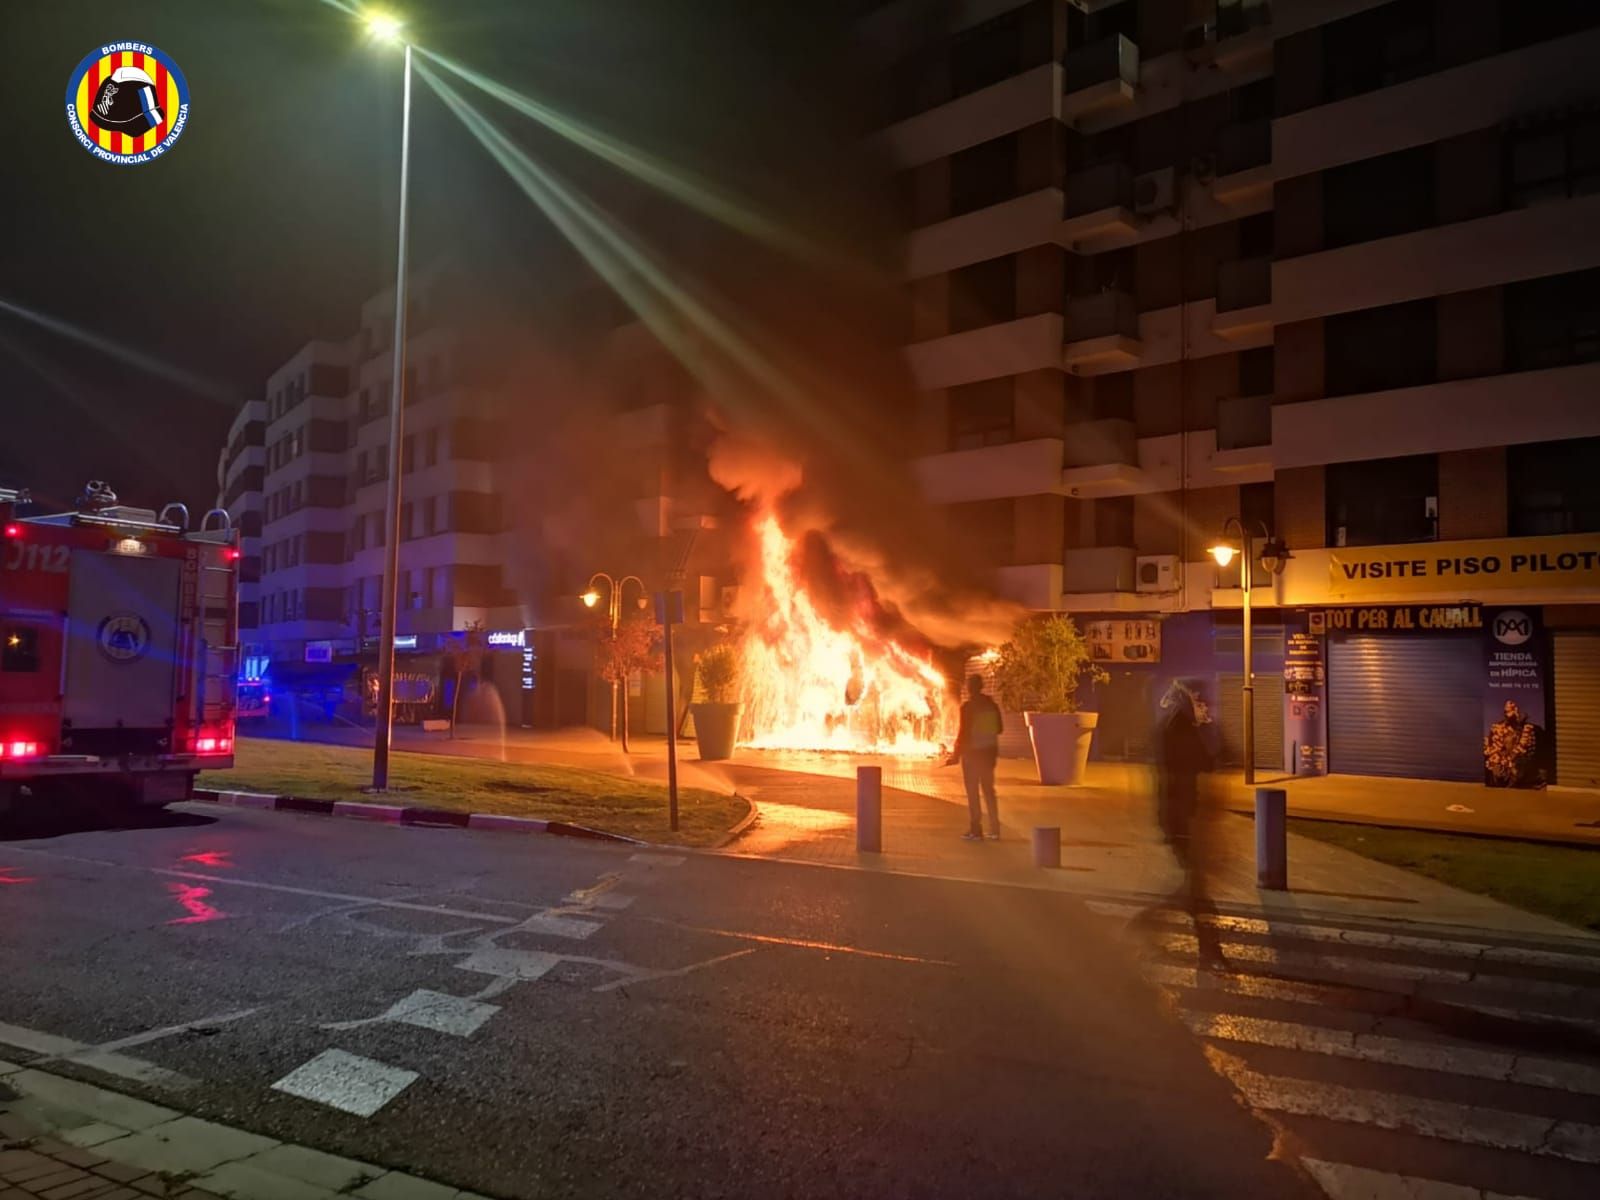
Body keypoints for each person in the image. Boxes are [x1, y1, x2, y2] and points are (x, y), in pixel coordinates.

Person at [949, 674, 1004, 841]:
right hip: (989, 754)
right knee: (989, 791)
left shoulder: (968, 707)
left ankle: (976, 830)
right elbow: (1000, 729)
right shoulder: (992, 705)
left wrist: (956, 755)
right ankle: (995, 829)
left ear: (969, 688)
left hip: (972, 756)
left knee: (973, 792)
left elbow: (963, 733)